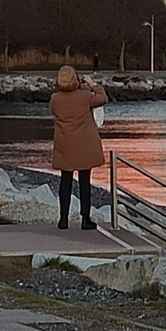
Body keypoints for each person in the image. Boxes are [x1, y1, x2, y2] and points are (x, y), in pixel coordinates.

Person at [49, 65, 108, 230]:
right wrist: (92, 84)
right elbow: (103, 98)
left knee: (65, 181)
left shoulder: (55, 99)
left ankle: (63, 219)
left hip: (65, 145)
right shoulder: (85, 97)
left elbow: (53, 111)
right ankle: (85, 218)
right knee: (84, 181)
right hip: (84, 144)